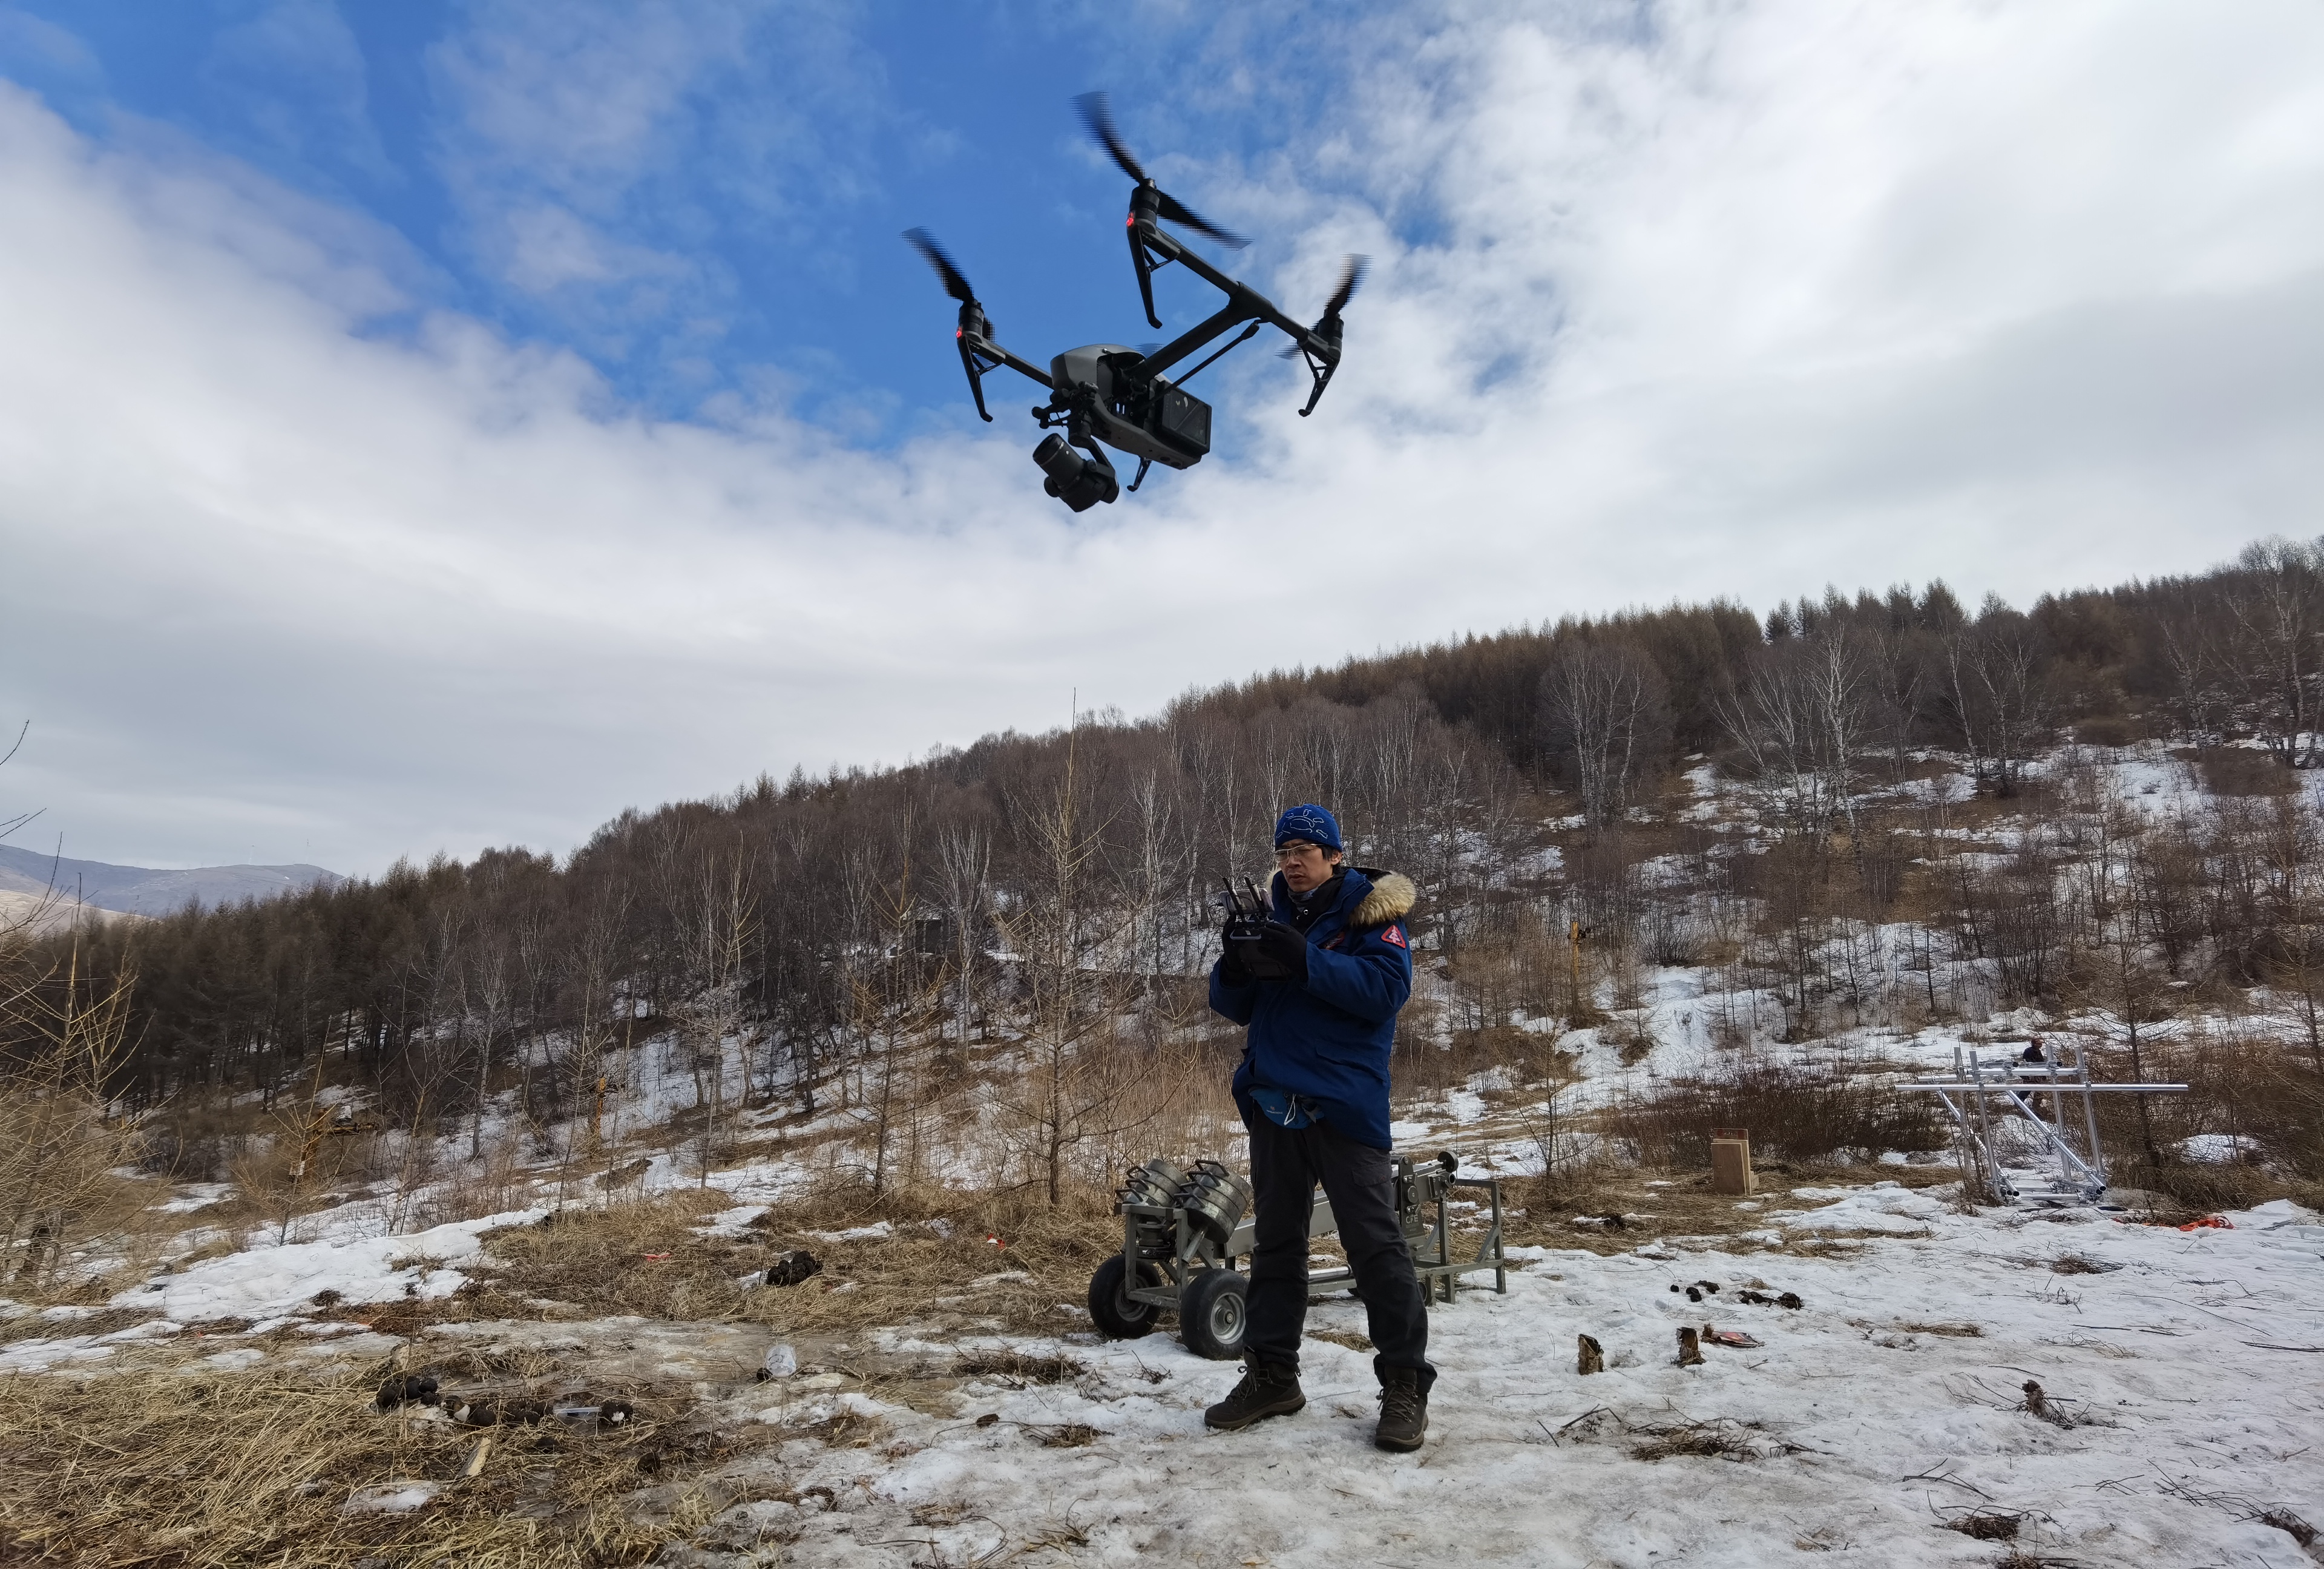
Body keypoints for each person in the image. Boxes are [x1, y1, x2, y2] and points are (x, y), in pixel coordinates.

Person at [1204, 803, 1432, 1452]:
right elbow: (1233, 1006)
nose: (1292, 863)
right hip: (1275, 1104)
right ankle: (1272, 1376)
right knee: (1277, 1247)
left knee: (1375, 1247)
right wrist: (1234, 965)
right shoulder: (1272, 916)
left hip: (1344, 1105)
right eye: (1283, 853)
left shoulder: (1372, 917)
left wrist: (1306, 959)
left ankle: (1406, 1386)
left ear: (1334, 855)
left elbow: (1384, 993)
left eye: (1304, 850)